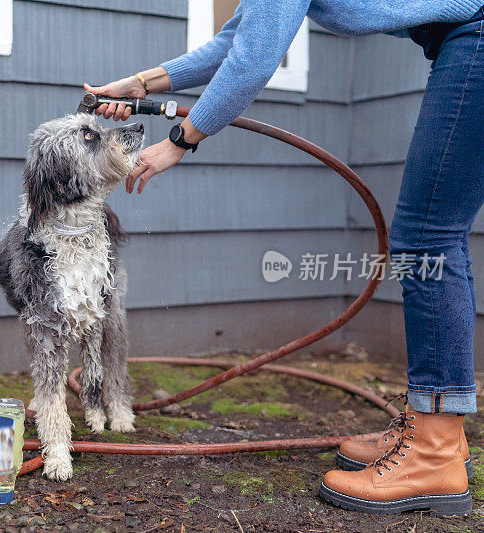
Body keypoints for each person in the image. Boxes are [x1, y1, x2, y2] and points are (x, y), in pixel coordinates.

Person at [86, 1, 484, 517]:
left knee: (427, 239)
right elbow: (238, 38)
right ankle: (433, 428)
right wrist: (144, 83)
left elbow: (255, 59)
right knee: (434, 236)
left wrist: (182, 140)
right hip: (463, 38)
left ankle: (435, 449)